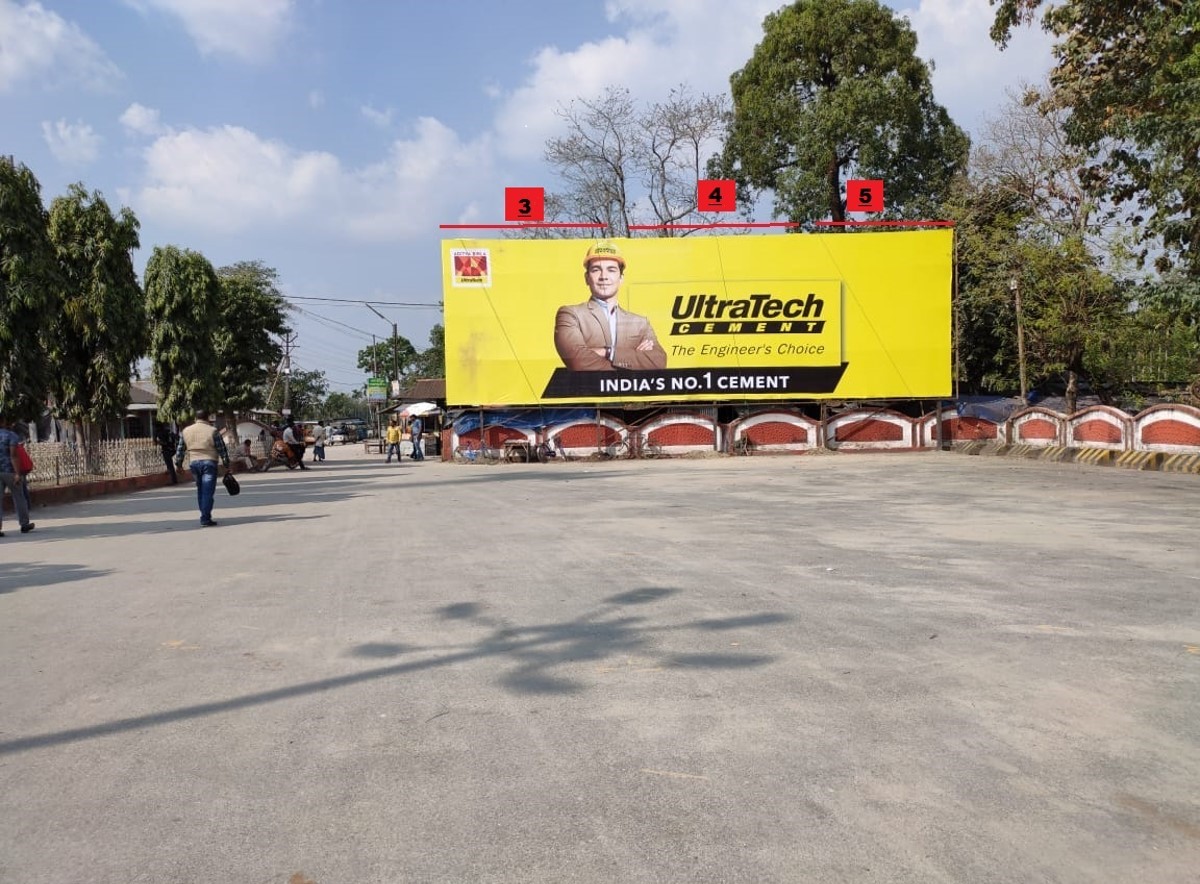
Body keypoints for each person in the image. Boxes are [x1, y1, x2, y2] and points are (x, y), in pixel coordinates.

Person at [553, 241, 667, 371]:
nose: (604, 277)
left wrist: (608, 352)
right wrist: (632, 361)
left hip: (630, 392)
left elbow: (658, 361)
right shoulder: (571, 315)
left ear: (621, 278)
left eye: (611, 270)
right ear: (586, 278)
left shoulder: (640, 323)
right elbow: (577, 361)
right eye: (596, 270)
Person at [174, 409, 231, 527]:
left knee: (201, 490)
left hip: (194, 463)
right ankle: (205, 518)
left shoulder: (186, 431)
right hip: (209, 462)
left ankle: (204, 515)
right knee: (208, 492)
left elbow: (180, 450)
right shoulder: (213, 431)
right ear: (208, 418)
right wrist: (226, 464)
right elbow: (222, 449)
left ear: (196, 418)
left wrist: (178, 465)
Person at [0, 415, 35, 537]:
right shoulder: (10, 435)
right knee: (19, 497)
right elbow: (13, 455)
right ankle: (24, 524)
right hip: (9, 471)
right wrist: (17, 473)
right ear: (3, 421)